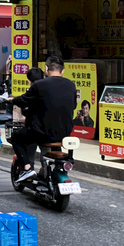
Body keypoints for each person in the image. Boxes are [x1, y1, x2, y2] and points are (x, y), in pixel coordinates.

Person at [8, 55, 77, 184]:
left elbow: (23, 100)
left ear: (46, 69)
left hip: (42, 134)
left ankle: (27, 168)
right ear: (63, 70)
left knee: (16, 137)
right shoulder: (71, 85)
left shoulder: (39, 85)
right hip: (64, 134)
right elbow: (73, 106)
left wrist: (12, 100)